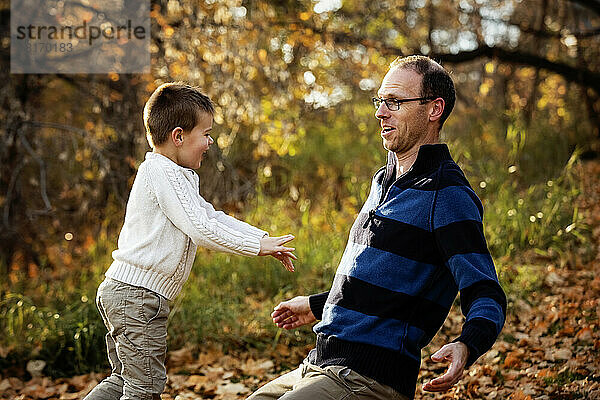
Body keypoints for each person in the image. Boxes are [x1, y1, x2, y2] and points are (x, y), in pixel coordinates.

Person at [248, 56, 507, 400]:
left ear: (434, 109)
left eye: (395, 102)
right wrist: (316, 305)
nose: (380, 112)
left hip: (368, 380)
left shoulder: (447, 195)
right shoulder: (383, 180)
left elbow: (486, 291)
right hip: (318, 364)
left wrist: (467, 344)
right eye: (380, 101)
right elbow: (386, 289)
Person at [84, 82, 297, 400]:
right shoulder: (163, 173)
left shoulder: (172, 174)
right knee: (144, 389)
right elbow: (201, 229)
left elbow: (212, 217)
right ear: (178, 136)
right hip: (137, 298)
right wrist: (256, 247)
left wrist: (262, 239)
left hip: (127, 292)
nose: (210, 142)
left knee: (123, 381)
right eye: (206, 134)